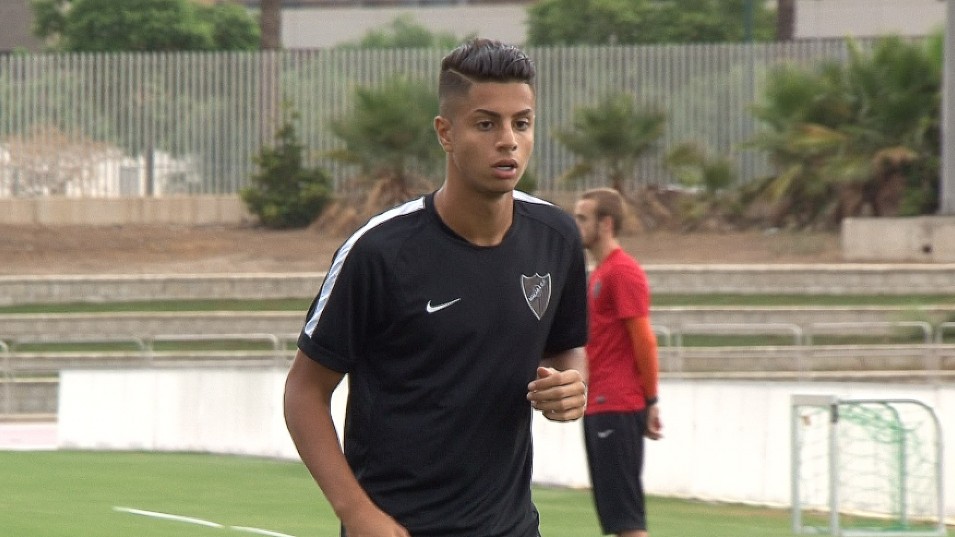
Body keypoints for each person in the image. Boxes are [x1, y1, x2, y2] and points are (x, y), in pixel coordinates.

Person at [283, 38, 589, 537]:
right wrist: (357, 513)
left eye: (522, 123)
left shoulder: (556, 238)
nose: (508, 140)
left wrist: (572, 384)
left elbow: (567, 348)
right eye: (486, 124)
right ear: (446, 132)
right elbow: (304, 392)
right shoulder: (379, 252)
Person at [573, 187, 663, 537]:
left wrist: (651, 400)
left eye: (583, 218)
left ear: (606, 224)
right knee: (617, 520)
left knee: (628, 522)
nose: (577, 225)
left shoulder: (622, 272)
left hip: (618, 404)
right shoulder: (599, 274)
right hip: (599, 404)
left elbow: (644, 339)